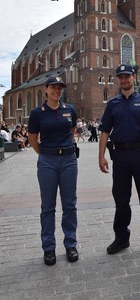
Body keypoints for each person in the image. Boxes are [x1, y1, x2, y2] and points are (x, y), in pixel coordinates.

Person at [98, 64, 140, 256]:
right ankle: (121, 238)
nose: (124, 80)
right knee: (121, 200)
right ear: (118, 80)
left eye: (127, 76)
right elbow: (104, 131)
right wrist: (100, 156)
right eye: (121, 77)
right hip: (120, 156)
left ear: (134, 77)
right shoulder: (112, 104)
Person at [28, 76, 79, 266]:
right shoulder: (37, 113)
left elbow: (72, 130)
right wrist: (44, 154)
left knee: (70, 205)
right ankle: (48, 248)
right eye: (54, 88)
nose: (57, 91)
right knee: (47, 207)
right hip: (48, 161)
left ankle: (70, 244)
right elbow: (33, 138)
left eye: (60, 88)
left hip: (68, 160)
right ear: (46, 89)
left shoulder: (69, 110)